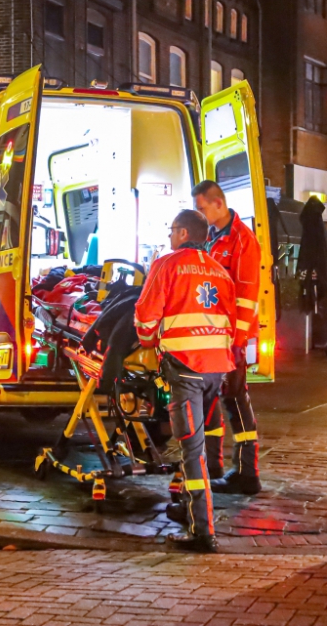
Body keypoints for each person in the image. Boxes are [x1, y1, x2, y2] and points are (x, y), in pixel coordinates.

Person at [135, 209, 236, 553]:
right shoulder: (219, 271)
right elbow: (231, 323)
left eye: (170, 230)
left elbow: (146, 319)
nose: (168, 237)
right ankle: (188, 507)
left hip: (186, 370)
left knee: (192, 452)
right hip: (215, 369)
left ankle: (202, 532)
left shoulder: (167, 265)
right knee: (198, 445)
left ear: (181, 233)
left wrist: (149, 342)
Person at [192, 180, 262, 495]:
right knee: (211, 399)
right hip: (212, 334)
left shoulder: (242, 240)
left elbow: (246, 296)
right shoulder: (211, 237)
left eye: (202, 207)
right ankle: (216, 465)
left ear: (218, 203)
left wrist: (237, 342)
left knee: (235, 398)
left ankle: (248, 472)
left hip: (232, 336)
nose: (199, 213)